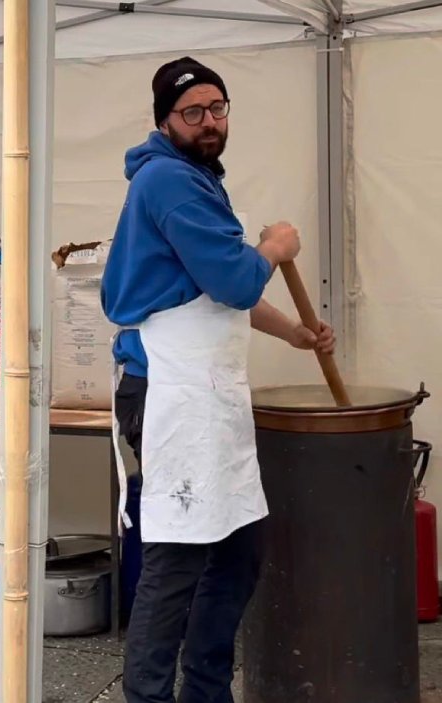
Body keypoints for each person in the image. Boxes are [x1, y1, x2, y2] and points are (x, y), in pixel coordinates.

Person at [101, 57, 336, 703]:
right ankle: (149, 696)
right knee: (176, 559)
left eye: (217, 108)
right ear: (165, 121)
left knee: (237, 550)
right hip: (170, 390)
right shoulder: (168, 181)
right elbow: (236, 278)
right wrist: (277, 248)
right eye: (192, 112)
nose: (209, 121)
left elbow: (217, 288)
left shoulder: (198, 179)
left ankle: (205, 691)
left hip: (209, 391)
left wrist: (292, 331)